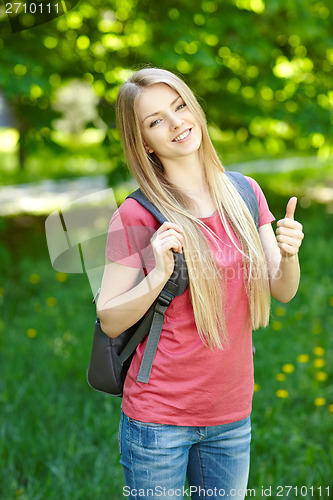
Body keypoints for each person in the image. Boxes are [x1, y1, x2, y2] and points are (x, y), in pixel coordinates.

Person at [96, 67, 304, 499]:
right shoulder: (136, 215)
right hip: (158, 421)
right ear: (144, 143)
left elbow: (282, 290)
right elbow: (110, 319)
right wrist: (156, 274)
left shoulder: (245, 193)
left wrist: (288, 254)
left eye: (179, 106)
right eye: (155, 121)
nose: (176, 124)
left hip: (231, 415)